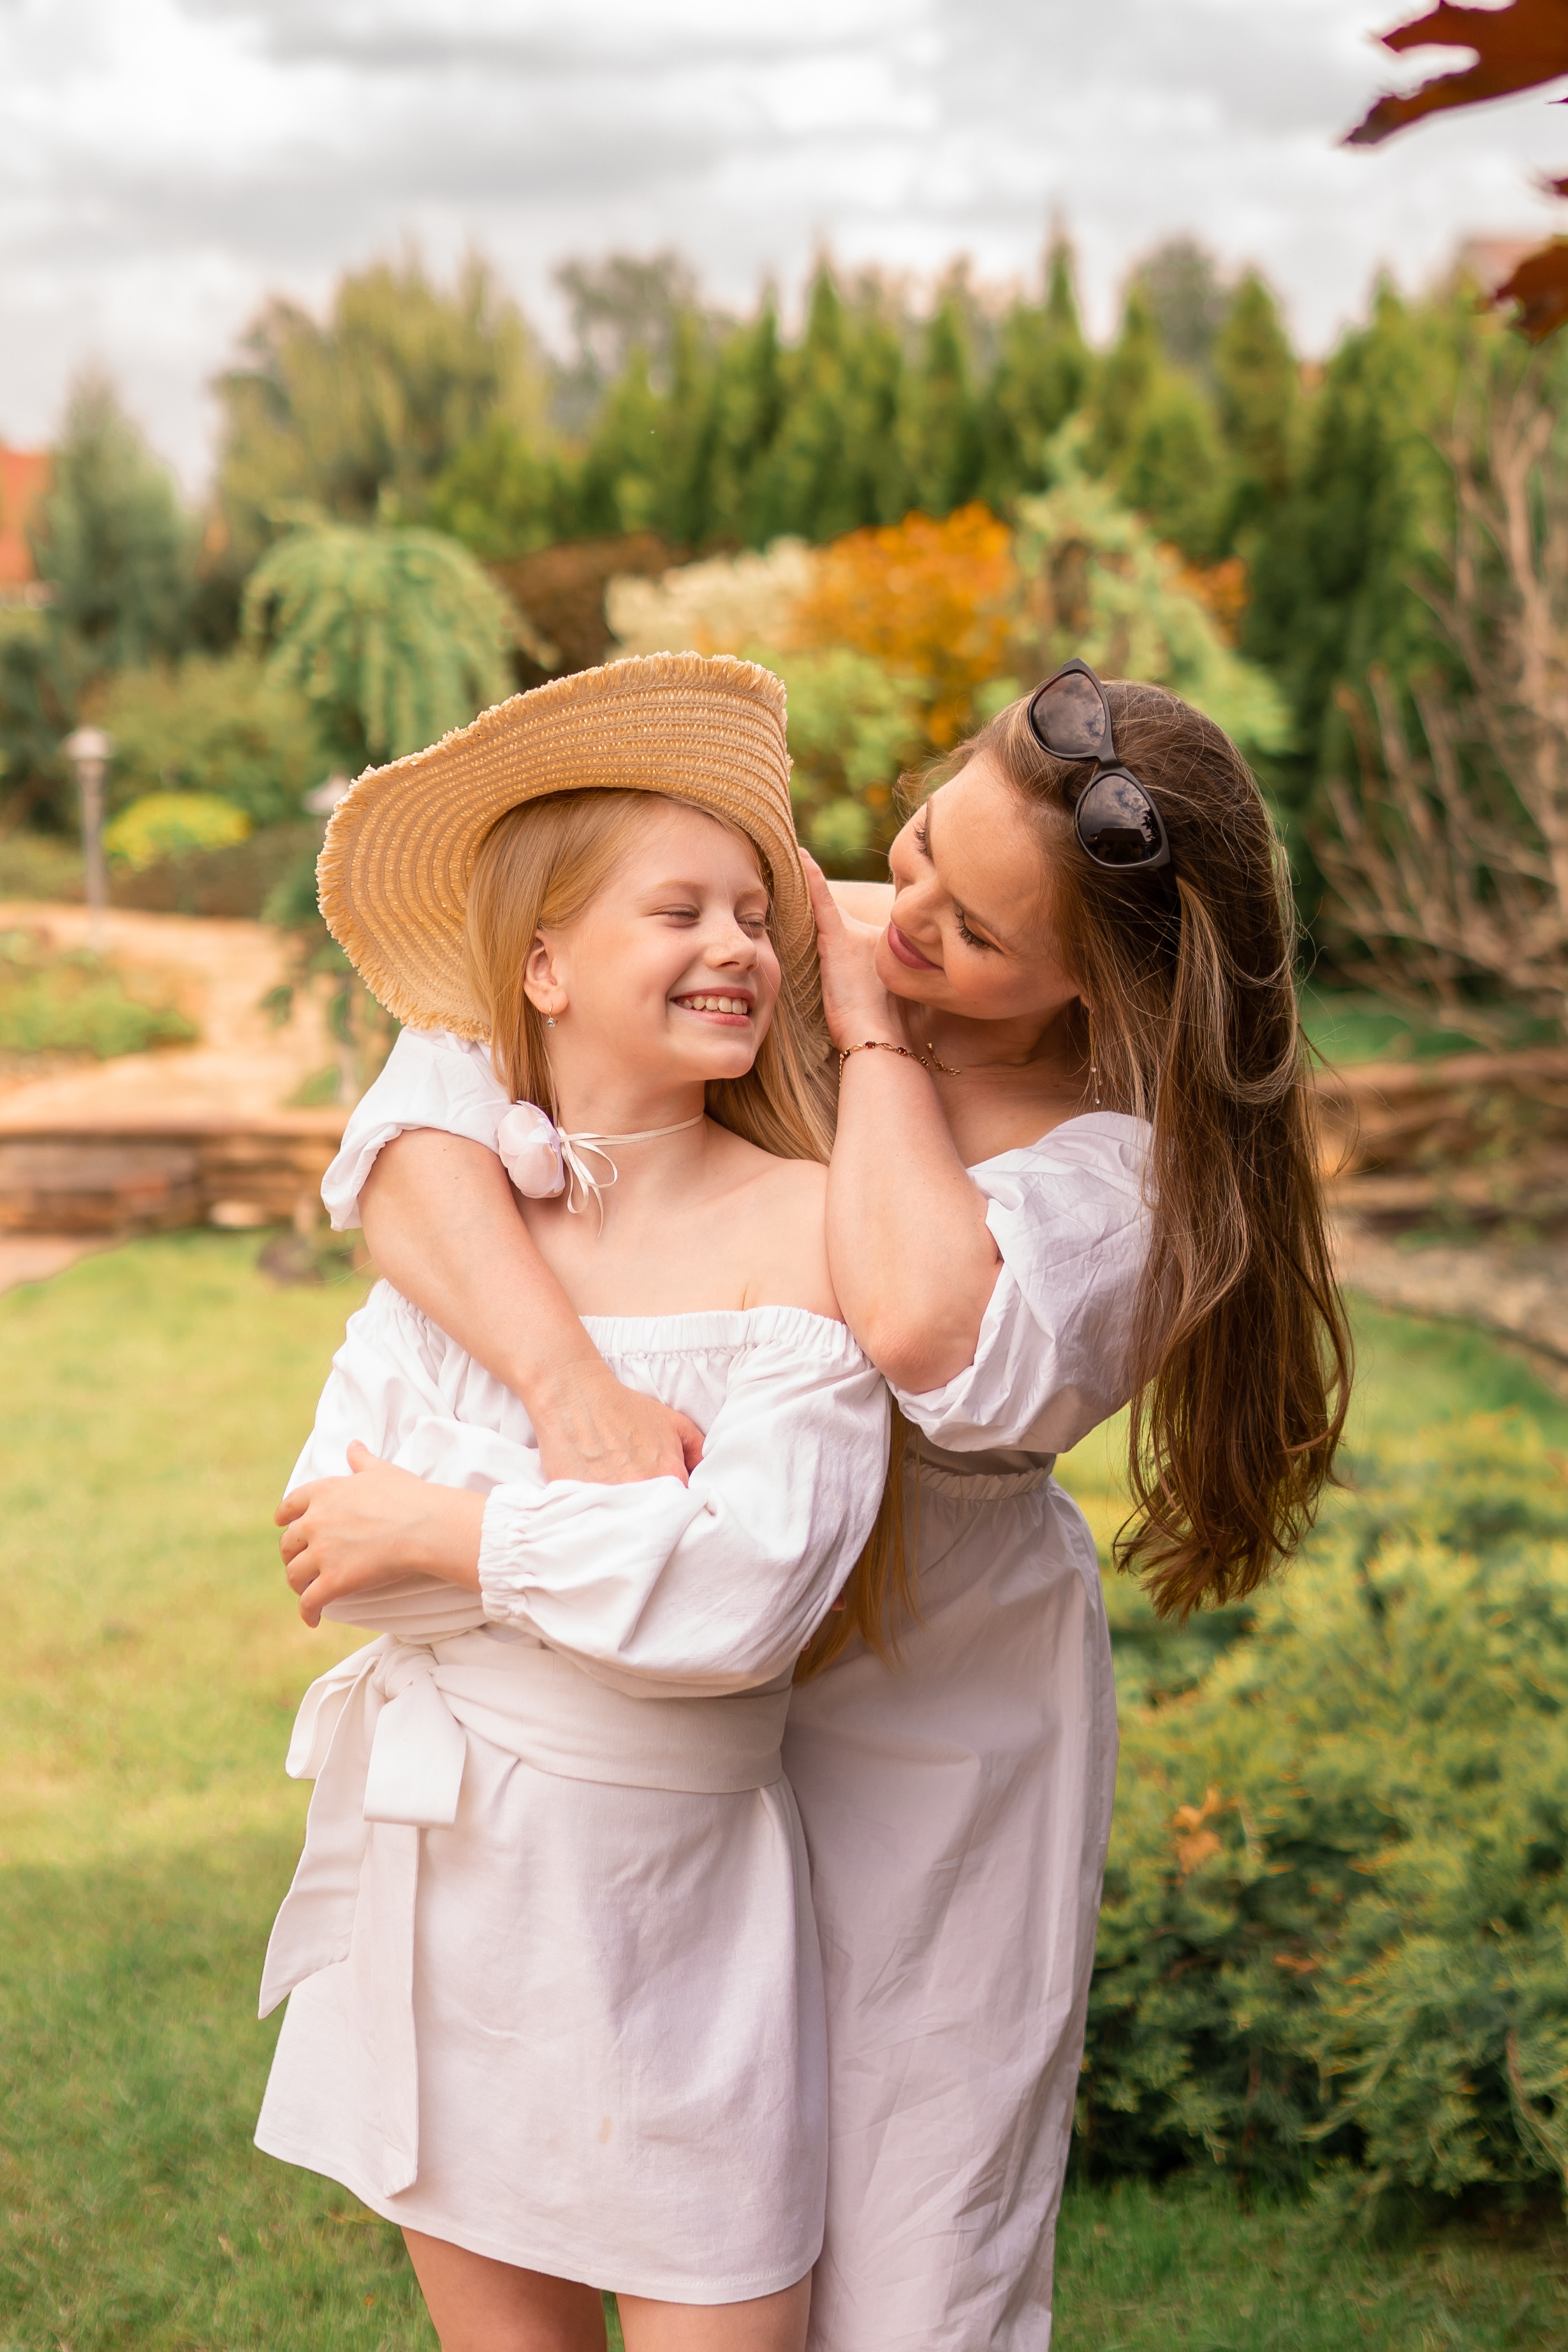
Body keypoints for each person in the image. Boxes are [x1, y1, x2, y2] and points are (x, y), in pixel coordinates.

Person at [301, 661, 1351, 2349]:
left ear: (1102, 989)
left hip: (919, 1706)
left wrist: (868, 1041)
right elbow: (420, 1125)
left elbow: (920, 1321)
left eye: (978, 933)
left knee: (903, 2249)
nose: (906, 917)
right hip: (644, 1686)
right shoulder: (772, 935)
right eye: (918, 847)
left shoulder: (1121, 1172)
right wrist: (566, 1384)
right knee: (608, 2150)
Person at [255, 655, 896, 2352]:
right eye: (677, 910)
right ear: (540, 966)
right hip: (452, 1900)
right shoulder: (464, 1236)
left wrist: (454, 1532)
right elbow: (332, 1530)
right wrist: (585, 1554)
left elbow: (740, 1598)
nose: (736, 946)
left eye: (753, 915)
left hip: (678, 1919)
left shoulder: (807, 1224)